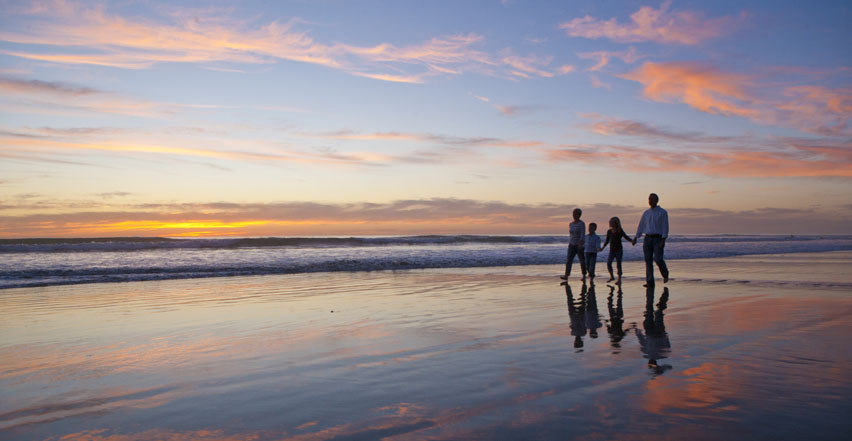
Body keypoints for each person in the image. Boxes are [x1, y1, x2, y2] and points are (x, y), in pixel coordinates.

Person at [632, 193, 669, 286]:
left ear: (656, 200)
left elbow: (665, 226)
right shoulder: (646, 213)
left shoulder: (662, 212)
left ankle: (665, 273)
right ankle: (650, 282)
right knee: (648, 260)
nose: (650, 201)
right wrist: (636, 237)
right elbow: (641, 225)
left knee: (658, 259)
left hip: (658, 238)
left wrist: (663, 240)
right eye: (649, 199)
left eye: (652, 199)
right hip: (647, 238)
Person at [600, 217, 633, 284]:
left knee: (618, 265)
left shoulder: (619, 230)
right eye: (611, 222)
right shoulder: (609, 231)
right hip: (611, 250)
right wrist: (602, 248)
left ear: (616, 223)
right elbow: (607, 241)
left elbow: (625, 236)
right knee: (609, 264)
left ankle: (619, 279)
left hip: (618, 250)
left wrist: (632, 241)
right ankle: (612, 276)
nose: (611, 223)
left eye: (612, 222)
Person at [561, 208, 587, 280]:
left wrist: (581, 243)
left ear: (579, 215)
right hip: (571, 244)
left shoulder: (581, 224)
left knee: (582, 260)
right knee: (569, 260)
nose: (574, 215)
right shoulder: (571, 224)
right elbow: (571, 234)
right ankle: (566, 275)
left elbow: (582, 234)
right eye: (574, 214)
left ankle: (584, 275)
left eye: (576, 214)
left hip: (579, 245)